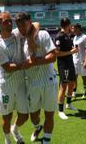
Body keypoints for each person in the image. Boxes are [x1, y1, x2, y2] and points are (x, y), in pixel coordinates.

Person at [15, 12, 57, 143]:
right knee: (34, 116)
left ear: (30, 22)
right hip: (32, 84)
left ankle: (46, 141)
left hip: (49, 81)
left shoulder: (43, 35)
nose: (22, 29)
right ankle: (38, 127)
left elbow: (53, 56)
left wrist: (35, 62)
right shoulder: (19, 40)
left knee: (49, 115)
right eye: (19, 26)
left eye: (24, 25)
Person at [0, 12, 29, 144]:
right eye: (5, 21)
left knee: (24, 115)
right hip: (6, 84)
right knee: (7, 116)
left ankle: (15, 130)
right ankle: (7, 140)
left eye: (10, 21)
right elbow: (7, 67)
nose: (9, 23)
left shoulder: (16, 33)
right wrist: (25, 65)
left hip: (20, 82)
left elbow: (35, 25)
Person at [55, 18, 79, 120]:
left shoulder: (67, 36)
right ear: (68, 25)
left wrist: (73, 50)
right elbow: (56, 53)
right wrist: (71, 52)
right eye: (70, 25)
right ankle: (60, 110)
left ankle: (68, 104)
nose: (71, 27)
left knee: (71, 83)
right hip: (63, 64)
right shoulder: (59, 36)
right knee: (63, 86)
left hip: (70, 63)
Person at [72, 23, 86, 99]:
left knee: (84, 77)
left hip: (82, 60)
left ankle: (85, 92)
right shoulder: (75, 37)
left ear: (78, 28)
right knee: (74, 77)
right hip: (75, 60)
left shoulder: (85, 37)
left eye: (74, 28)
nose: (73, 30)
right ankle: (74, 92)